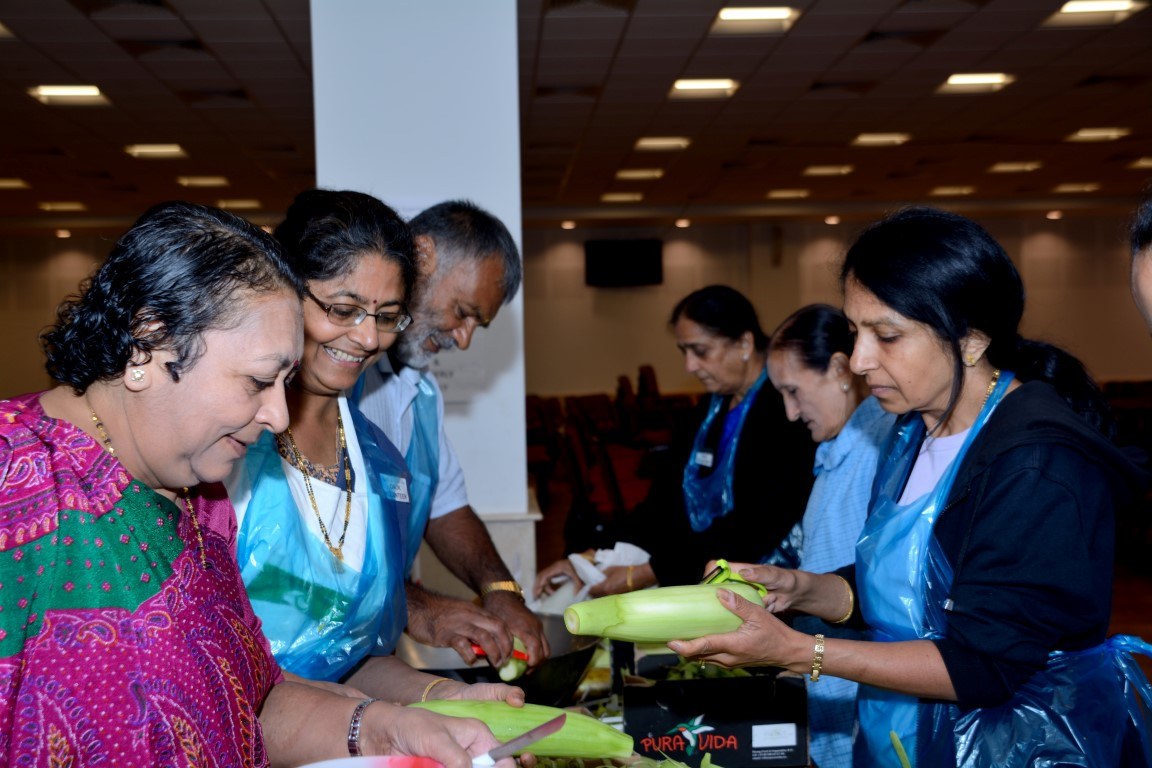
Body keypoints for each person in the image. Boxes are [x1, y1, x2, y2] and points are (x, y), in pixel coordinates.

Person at [0, 201, 510, 767]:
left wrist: (388, 726)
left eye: (285, 381)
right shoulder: (17, 480)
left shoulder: (200, 505)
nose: (277, 415)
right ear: (150, 340)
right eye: (259, 381)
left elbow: (252, 697)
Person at [669, 207, 1152, 767]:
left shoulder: (1034, 461)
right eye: (856, 332)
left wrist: (800, 651)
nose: (859, 360)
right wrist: (803, 588)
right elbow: (909, 588)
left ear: (970, 339)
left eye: (887, 335)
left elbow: (985, 664)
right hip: (902, 733)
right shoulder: (911, 429)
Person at [224, 189, 521, 705]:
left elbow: (353, 652)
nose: (366, 338)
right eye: (344, 309)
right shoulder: (228, 437)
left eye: (386, 317)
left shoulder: (377, 455)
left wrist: (442, 698)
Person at [355, 200, 547, 671]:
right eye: (463, 312)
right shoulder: (337, 378)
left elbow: (445, 508)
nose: (463, 339)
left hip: (372, 655)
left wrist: (500, 591)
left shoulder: (422, 392)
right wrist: (419, 607)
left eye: (477, 325)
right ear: (421, 256)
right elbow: (313, 547)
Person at [534, 285, 817, 598]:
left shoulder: (785, 411)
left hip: (769, 589)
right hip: (699, 569)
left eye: (700, 351)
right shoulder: (710, 408)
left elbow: (755, 524)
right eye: (684, 352)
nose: (689, 366)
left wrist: (651, 571)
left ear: (744, 343)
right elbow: (662, 504)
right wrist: (590, 555)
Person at [766, 303, 895, 768]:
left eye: (794, 391)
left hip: (861, 692)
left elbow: (875, 590)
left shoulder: (877, 446)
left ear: (841, 370)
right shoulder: (842, 445)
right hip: (831, 671)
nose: (790, 412)